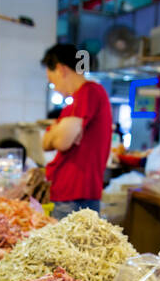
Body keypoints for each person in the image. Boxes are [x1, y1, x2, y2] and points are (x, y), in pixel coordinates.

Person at [41, 43, 112, 219]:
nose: (55, 88)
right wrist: (55, 133)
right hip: (67, 194)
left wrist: (56, 132)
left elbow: (62, 141)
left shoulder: (90, 92)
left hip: (75, 196)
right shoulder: (72, 104)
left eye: (52, 81)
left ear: (61, 69)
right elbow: (45, 143)